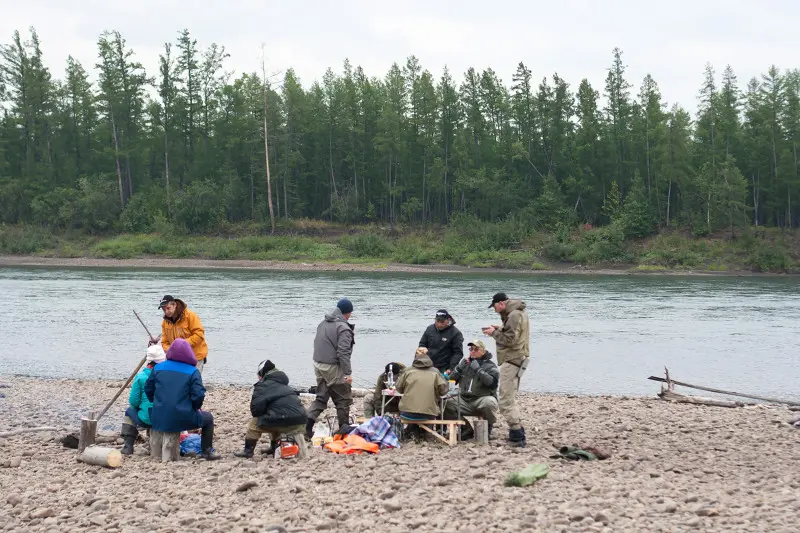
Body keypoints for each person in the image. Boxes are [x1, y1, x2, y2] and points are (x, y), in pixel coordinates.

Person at [144, 338, 220, 460]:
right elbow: (199, 395)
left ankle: (156, 453)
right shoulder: (193, 371)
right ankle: (206, 452)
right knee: (208, 419)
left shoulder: (158, 368)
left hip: (158, 415)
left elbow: (148, 388)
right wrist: (195, 408)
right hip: (182, 416)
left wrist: (158, 403)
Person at [483, 292, 530, 448]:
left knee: (505, 401)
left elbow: (510, 340)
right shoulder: (517, 312)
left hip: (512, 360)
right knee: (510, 397)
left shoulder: (514, 315)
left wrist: (494, 333)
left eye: (495, 307)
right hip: (517, 359)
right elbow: (514, 332)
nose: (495, 310)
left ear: (501, 303)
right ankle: (517, 432)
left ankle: (517, 435)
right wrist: (500, 328)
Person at [234, 360, 308, 458]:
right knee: (274, 416)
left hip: (286, 420)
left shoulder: (262, 385)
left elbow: (256, 411)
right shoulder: (284, 384)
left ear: (261, 374)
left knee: (256, 422)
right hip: (301, 422)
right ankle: (274, 447)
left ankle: (248, 451)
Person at [305, 298, 355, 438]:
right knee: (343, 397)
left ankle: (306, 429)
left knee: (321, 398)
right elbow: (343, 353)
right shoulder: (343, 328)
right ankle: (344, 429)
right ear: (348, 313)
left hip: (318, 364)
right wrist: (347, 373)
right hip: (332, 366)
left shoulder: (323, 323)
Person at [443, 339, 500, 440]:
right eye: (471, 349)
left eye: (476, 349)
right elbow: (451, 380)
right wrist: (459, 368)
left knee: (490, 403)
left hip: (481, 399)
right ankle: (466, 429)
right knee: (446, 403)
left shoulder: (491, 366)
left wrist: (478, 370)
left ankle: (488, 430)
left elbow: (492, 383)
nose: (472, 351)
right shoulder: (466, 363)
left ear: (482, 351)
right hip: (465, 399)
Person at [119, 344, 166, 455]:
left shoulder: (141, 377)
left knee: (130, 411)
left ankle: (128, 446)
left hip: (148, 418)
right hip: (165, 417)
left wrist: (141, 406)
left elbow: (134, 401)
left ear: (148, 361)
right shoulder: (167, 375)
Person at [158, 295, 209, 374]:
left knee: (194, 383)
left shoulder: (190, 316)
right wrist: (171, 349)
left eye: (168, 308)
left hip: (195, 357)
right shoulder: (165, 323)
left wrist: (182, 345)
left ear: (174, 305)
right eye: (164, 310)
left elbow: (199, 335)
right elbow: (164, 342)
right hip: (177, 359)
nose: (166, 312)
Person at [395, 347, 448, 422]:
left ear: (415, 357)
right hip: (429, 413)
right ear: (429, 357)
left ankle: (412, 431)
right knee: (430, 417)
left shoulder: (407, 371)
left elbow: (399, 389)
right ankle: (427, 432)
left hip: (407, 413)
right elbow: (443, 391)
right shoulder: (436, 372)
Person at [418, 309, 464, 375]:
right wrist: (422, 352)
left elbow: (458, 353)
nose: (439, 324)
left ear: (448, 320)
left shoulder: (456, 333)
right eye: (437, 321)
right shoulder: (429, 329)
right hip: (427, 365)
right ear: (435, 320)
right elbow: (422, 344)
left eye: (442, 322)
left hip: (444, 368)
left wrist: (451, 368)